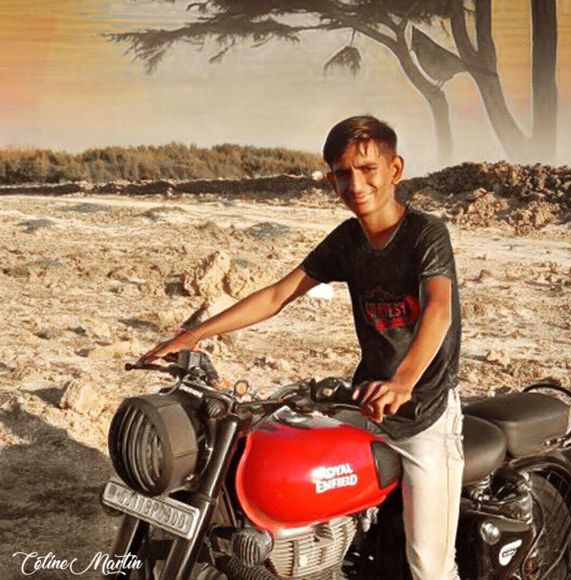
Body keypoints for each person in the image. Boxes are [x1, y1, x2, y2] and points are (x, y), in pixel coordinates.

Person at [143, 115, 463, 580]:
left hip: (425, 415)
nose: (355, 184)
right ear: (331, 179)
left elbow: (439, 309)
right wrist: (193, 335)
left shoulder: (425, 233)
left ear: (395, 170)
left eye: (367, 169)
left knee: (430, 567)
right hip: (365, 403)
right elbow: (278, 294)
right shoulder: (348, 240)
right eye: (342, 173)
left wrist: (403, 381)